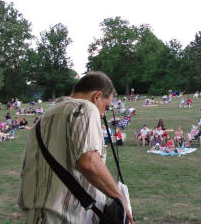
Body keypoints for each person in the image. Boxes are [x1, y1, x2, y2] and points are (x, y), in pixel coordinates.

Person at [18, 72, 134, 224]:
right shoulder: (85, 107)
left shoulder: (46, 115)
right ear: (97, 96)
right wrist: (120, 198)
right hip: (67, 216)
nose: (102, 114)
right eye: (106, 107)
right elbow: (89, 162)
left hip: (38, 215)